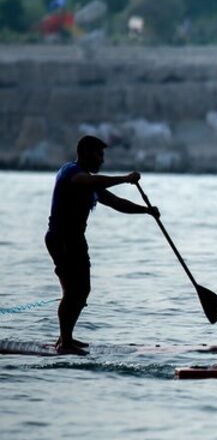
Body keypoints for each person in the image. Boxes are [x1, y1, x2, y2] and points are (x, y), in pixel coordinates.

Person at [46, 135, 159, 355]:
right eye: (99, 155)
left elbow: (117, 203)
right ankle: (65, 342)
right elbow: (90, 182)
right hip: (61, 239)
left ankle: (65, 338)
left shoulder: (90, 183)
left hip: (76, 240)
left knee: (82, 290)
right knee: (72, 292)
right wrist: (126, 178)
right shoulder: (71, 172)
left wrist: (146, 211)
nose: (102, 160)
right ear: (86, 153)